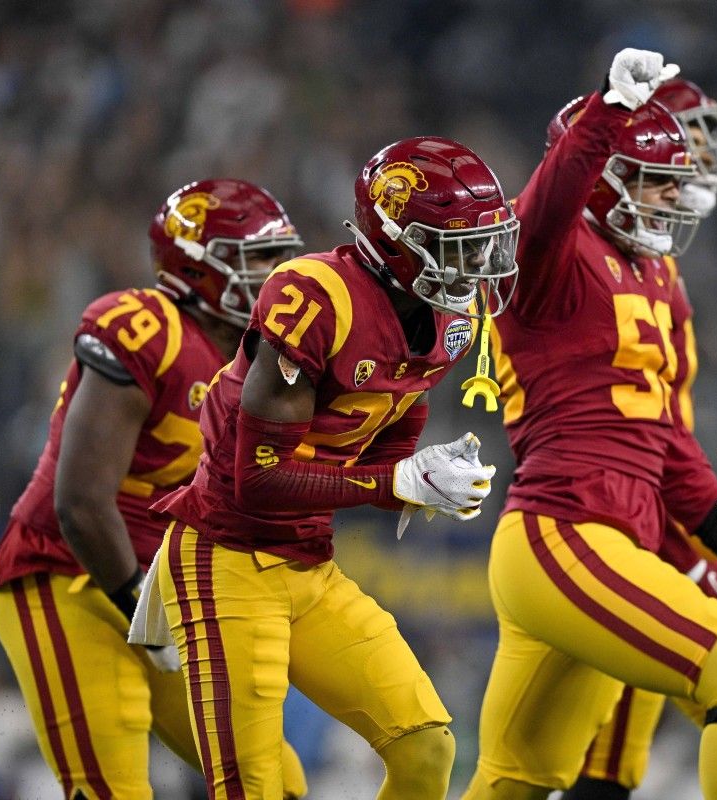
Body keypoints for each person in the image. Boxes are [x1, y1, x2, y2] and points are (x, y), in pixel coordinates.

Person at [463, 49, 717, 800]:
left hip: (621, 536)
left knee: (517, 780)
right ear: (599, 173)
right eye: (654, 179)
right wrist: (605, 115)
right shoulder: (554, 256)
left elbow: (671, 447)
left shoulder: (654, 274)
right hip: (564, 530)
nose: (672, 197)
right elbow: (541, 213)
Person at [139, 136, 519, 799]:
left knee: (426, 746)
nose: (477, 263)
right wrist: (392, 483)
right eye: (457, 243)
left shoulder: (447, 318)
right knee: (257, 787)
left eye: (482, 243)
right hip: (225, 557)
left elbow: (403, 404)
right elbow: (255, 479)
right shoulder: (315, 296)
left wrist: (420, 474)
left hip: (308, 564)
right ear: (395, 236)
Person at [0, 179, 309, 799]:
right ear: (196, 270)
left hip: (166, 589)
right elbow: (79, 503)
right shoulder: (144, 329)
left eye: (281, 257)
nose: (278, 276)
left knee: (273, 783)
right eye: (259, 260)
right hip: (67, 576)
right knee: (114, 789)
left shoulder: (268, 357)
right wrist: (142, 605)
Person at [563, 78, 717, 800]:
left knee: (592, 766)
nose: (701, 152)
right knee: (582, 765)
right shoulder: (585, 252)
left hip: (654, 509)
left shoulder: (653, 258)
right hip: (605, 516)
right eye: (689, 131)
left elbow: (667, 435)